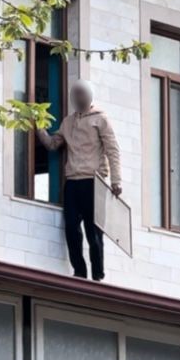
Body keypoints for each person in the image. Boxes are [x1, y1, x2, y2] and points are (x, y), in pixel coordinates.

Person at [37, 80, 121, 281]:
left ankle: (98, 274)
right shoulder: (68, 122)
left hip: (94, 181)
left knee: (94, 232)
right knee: (72, 228)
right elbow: (53, 144)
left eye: (82, 95)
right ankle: (80, 271)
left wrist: (116, 181)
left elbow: (112, 150)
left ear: (90, 96)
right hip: (73, 181)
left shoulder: (100, 119)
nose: (79, 99)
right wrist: (38, 125)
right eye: (76, 95)